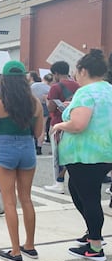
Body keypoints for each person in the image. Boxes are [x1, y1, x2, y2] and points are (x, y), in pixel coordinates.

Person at [51, 49, 112, 261]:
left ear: (83, 71)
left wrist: (60, 123)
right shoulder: (108, 90)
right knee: (78, 191)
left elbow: (78, 124)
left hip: (85, 154)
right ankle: (92, 233)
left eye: (77, 71)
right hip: (104, 152)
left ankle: (95, 246)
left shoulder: (86, 92)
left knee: (89, 197)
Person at [0, 61, 43, 261]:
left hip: (5, 150)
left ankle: (15, 251)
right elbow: (38, 134)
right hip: (27, 149)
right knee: (26, 198)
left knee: (9, 201)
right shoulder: (35, 103)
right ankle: (30, 245)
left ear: (4, 81)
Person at [44, 61, 79, 193]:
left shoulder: (55, 87)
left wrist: (49, 102)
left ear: (56, 73)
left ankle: (59, 182)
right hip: (75, 122)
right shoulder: (78, 85)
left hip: (58, 123)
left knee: (58, 154)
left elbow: (51, 107)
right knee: (71, 153)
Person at [28, 71, 50, 155]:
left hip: (32, 105)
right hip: (44, 106)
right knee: (43, 126)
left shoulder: (33, 86)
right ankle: (39, 147)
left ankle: (33, 143)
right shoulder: (49, 88)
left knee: (32, 125)